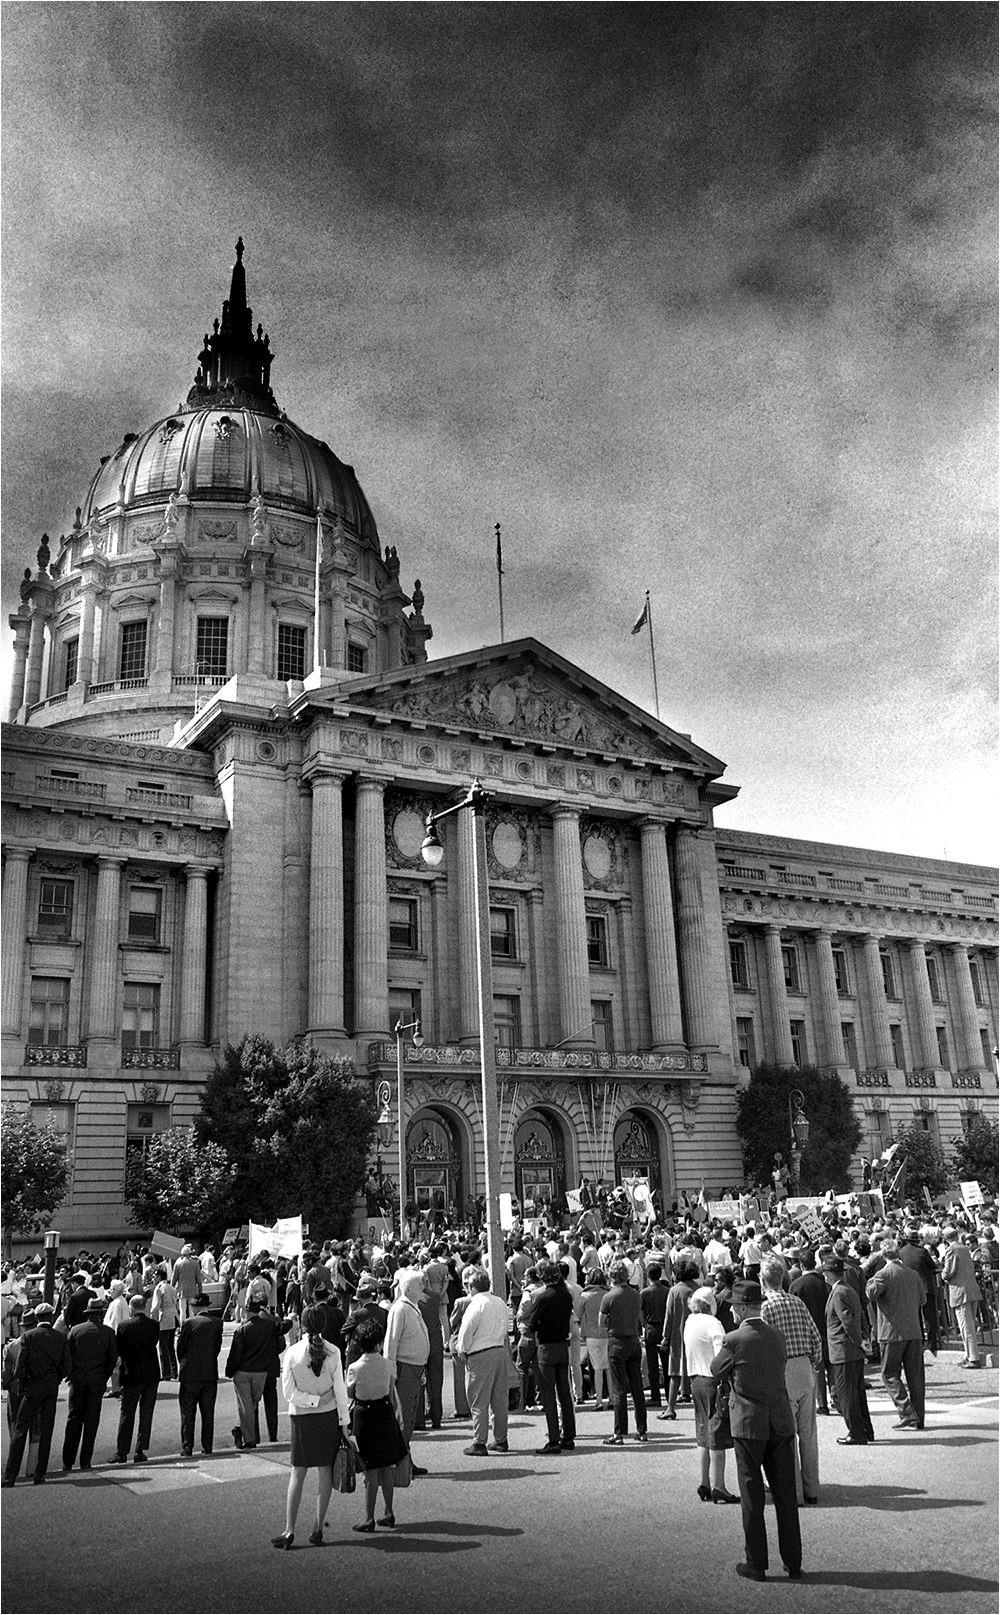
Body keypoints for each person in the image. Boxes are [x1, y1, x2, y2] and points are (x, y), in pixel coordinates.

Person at [711, 1279, 802, 1584]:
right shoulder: (777, 1336)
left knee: (752, 1496)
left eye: (734, 1307)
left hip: (749, 1422)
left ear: (741, 1308)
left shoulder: (734, 1340)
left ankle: (756, 1562)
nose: (732, 1311)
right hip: (780, 1419)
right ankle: (793, 1562)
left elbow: (716, 1370)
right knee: (786, 1496)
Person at [274, 1303, 356, 1549]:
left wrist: (311, 1400)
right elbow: (340, 1392)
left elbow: (288, 1393)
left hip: (301, 1418)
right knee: (325, 1471)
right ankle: (318, 1527)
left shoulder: (292, 1353)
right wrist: (344, 1423)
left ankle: (289, 1530)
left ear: (301, 1324)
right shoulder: (334, 1352)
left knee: (297, 1473)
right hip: (327, 1417)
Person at [760, 1256, 822, 1506]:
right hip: (804, 1367)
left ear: (763, 1279)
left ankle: (794, 1491)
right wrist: (812, 1361)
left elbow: (764, 1343)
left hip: (782, 1369)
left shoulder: (766, 1307)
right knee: (808, 1434)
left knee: (786, 1435)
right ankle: (811, 1488)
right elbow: (816, 1338)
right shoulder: (797, 1303)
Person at [347, 1315, 409, 1530]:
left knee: (370, 1470)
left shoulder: (354, 1368)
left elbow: (350, 1393)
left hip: (364, 1416)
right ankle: (389, 1512)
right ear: (379, 1343)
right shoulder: (387, 1365)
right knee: (387, 1467)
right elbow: (390, 1389)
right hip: (384, 1412)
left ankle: (368, 1517)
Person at [1, 1302, 71, 1487]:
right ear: (51, 1317)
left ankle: (10, 1476)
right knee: (46, 1431)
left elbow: (20, 1367)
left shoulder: (29, 1337)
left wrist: (26, 1383)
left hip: (33, 1386)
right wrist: (56, 1378)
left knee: (20, 1429)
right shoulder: (60, 1337)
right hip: (51, 1387)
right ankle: (40, 1473)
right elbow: (67, 1366)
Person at [866, 1237, 926, 1430]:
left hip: (891, 1332)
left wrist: (869, 1276)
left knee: (889, 1373)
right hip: (913, 1330)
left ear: (883, 1255)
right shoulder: (913, 1274)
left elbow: (870, 1294)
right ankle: (919, 1417)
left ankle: (907, 1411)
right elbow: (922, 1300)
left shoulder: (883, 1274)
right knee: (916, 1376)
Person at [684, 1286, 737, 1504]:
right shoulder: (713, 1323)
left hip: (695, 1378)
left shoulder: (690, 1321)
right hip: (712, 1380)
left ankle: (704, 1482)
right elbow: (720, 1356)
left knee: (702, 1433)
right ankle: (719, 1485)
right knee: (717, 1433)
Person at [522, 1261, 576, 1455]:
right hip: (562, 1344)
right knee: (564, 1392)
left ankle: (554, 1438)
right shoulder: (566, 1295)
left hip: (547, 1346)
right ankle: (568, 1436)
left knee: (548, 1394)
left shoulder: (541, 1297)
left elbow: (531, 1324)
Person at [455, 1270, 511, 1456]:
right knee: (499, 1400)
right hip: (499, 1350)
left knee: (479, 1400)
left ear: (472, 1287)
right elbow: (506, 1326)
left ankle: (479, 1442)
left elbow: (466, 1331)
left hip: (480, 1354)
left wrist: (462, 1350)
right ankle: (501, 1439)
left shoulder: (475, 1304)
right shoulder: (500, 1302)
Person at [821, 1257, 874, 1446]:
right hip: (852, 1350)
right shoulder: (848, 1289)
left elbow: (848, 1321)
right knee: (857, 1392)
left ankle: (856, 1432)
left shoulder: (839, 1293)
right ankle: (865, 1430)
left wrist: (860, 1341)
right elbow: (860, 1318)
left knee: (846, 1394)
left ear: (829, 1274)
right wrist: (864, 1340)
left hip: (844, 1350)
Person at [382, 1269, 430, 1474]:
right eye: (420, 1284)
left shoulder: (412, 1306)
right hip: (405, 1368)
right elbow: (390, 1343)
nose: (423, 1287)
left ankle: (405, 1461)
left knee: (409, 1418)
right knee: (404, 1417)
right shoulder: (400, 1309)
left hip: (415, 1368)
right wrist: (391, 1372)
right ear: (408, 1289)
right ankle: (399, 1464)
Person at [61, 1298, 117, 1472]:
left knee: (73, 1419)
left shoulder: (75, 1331)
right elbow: (112, 1358)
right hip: (96, 1378)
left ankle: (67, 1461)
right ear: (101, 1314)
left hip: (78, 1378)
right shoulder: (108, 1332)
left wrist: (71, 1374)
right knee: (91, 1421)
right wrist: (103, 1376)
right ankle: (85, 1460)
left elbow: (66, 1355)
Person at [599, 1261, 648, 1445]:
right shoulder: (636, 1295)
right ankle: (642, 1430)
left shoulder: (609, 1297)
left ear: (612, 1276)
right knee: (637, 1388)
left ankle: (619, 1433)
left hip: (617, 1341)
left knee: (619, 1389)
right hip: (633, 1340)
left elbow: (601, 1322)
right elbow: (639, 1318)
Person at [226, 1297, 282, 1449]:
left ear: (247, 1311)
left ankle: (249, 1436)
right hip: (262, 1371)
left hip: (244, 1371)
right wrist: (271, 1317)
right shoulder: (269, 1326)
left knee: (246, 1405)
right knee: (254, 1404)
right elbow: (284, 1329)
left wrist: (229, 1371)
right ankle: (253, 1434)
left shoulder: (242, 1329)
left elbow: (235, 1355)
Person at [113, 1294, 161, 1463]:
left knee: (127, 1413)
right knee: (146, 1414)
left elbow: (119, 1350)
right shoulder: (154, 1325)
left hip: (131, 1373)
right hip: (151, 1373)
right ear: (144, 1306)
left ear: (131, 1308)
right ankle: (140, 1450)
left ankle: (122, 1451)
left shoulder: (124, 1326)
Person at [176, 1292, 224, 1456]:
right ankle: (207, 1446)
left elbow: (180, 1348)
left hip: (190, 1373)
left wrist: (185, 1363)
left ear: (195, 1307)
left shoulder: (189, 1323)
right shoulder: (217, 1323)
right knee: (208, 1412)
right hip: (209, 1372)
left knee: (187, 1413)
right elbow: (217, 1347)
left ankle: (187, 1446)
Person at [658, 1258, 699, 1419]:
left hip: (678, 1334)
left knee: (675, 1372)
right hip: (697, 1333)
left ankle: (670, 1408)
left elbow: (669, 1316)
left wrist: (665, 1337)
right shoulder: (699, 1289)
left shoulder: (674, 1291)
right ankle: (700, 1408)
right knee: (697, 1371)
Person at [941, 1226, 983, 1369]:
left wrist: (943, 1275)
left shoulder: (951, 1250)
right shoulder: (964, 1248)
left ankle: (973, 1358)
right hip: (971, 1289)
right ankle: (969, 1354)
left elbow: (949, 1272)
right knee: (969, 1325)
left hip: (960, 1291)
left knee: (966, 1327)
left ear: (946, 1238)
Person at [577, 1268, 610, 1410]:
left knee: (597, 1368)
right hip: (608, 1333)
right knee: (609, 1367)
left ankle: (599, 1400)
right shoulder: (608, 1294)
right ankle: (612, 1398)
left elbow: (578, 1314)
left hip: (591, 1334)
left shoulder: (585, 1296)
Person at [639, 1262, 669, 1408]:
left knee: (652, 1365)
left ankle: (655, 1396)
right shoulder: (667, 1291)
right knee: (667, 1364)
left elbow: (641, 1313)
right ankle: (669, 1395)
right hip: (664, 1327)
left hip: (651, 1327)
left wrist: (644, 1325)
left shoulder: (644, 1293)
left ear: (648, 1275)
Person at [150, 1265, 179, 1380]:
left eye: (155, 1276)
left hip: (164, 1318)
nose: (153, 1278)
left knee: (163, 1347)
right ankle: (174, 1370)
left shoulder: (159, 1288)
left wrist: (152, 1319)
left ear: (159, 1277)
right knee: (170, 1346)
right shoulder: (171, 1287)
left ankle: (166, 1372)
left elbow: (156, 1306)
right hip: (173, 1316)